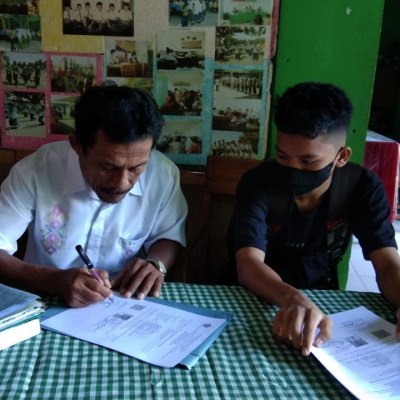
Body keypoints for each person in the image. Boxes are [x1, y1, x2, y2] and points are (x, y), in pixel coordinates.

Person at [228, 82, 400, 356]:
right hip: (255, 293)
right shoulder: (258, 182)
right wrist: (294, 299)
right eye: (283, 156)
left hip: (320, 295)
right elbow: (248, 264)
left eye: (308, 162)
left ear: (341, 157)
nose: (294, 169)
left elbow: (388, 262)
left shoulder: (362, 187)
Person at [0, 86, 188, 308]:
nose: (122, 183)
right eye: (107, 166)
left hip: (124, 302)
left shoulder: (163, 175)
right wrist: (54, 280)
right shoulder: (34, 171)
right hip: (45, 298)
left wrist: (156, 264)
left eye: (137, 167)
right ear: (77, 145)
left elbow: (168, 236)